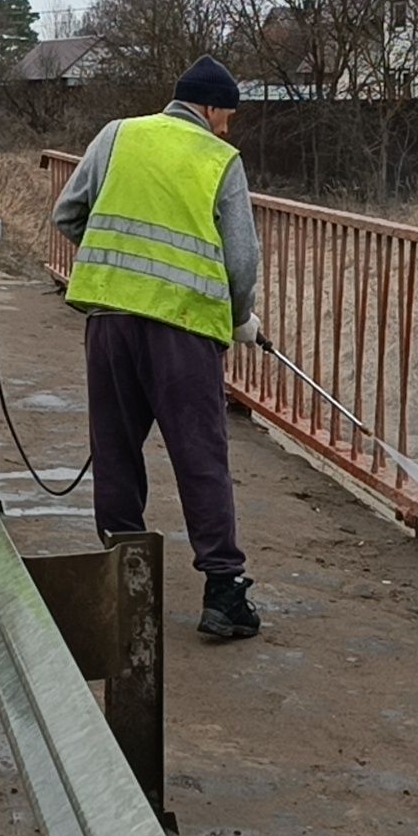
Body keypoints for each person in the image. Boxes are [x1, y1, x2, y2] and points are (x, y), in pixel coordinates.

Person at [51, 55, 265, 638]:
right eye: (229, 116)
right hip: (182, 330)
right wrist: (241, 316)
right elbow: (241, 259)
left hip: (109, 320)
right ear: (213, 108)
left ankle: (124, 576)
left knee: (116, 449)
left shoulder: (117, 135)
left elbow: (67, 213)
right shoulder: (220, 160)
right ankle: (223, 591)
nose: (228, 128)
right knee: (200, 457)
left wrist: (114, 255)